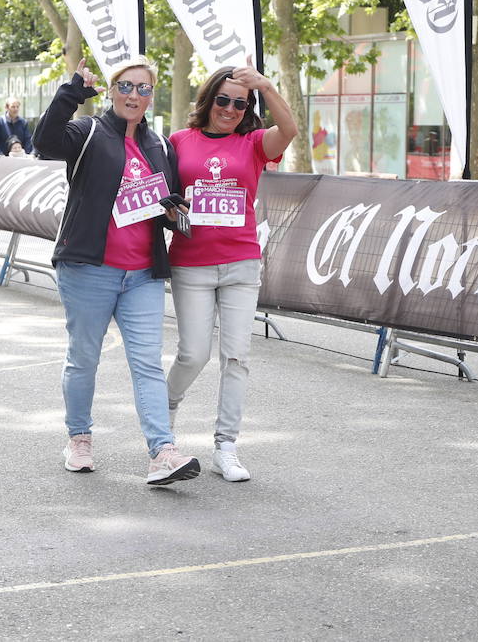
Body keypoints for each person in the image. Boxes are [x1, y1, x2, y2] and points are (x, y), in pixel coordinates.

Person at [33, 55, 200, 487]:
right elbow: (45, 142)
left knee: (146, 363)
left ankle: (163, 452)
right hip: (89, 268)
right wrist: (71, 92)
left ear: (151, 96)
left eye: (143, 88)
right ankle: (79, 438)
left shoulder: (160, 146)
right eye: (126, 86)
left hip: (142, 274)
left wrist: (173, 211)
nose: (134, 95)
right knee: (83, 358)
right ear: (111, 90)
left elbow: (167, 200)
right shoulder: (88, 131)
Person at [166, 59, 297, 482]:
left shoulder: (255, 143)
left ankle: (226, 445)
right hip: (192, 263)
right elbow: (164, 195)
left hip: (242, 263)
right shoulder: (178, 140)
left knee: (237, 356)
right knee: (193, 353)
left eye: (240, 104)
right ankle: (162, 422)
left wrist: (266, 85)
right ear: (207, 101)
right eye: (222, 100)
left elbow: (290, 130)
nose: (229, 109)